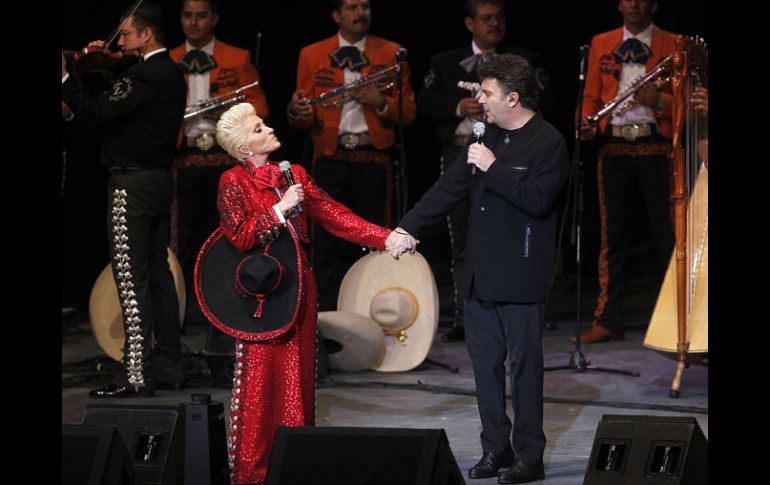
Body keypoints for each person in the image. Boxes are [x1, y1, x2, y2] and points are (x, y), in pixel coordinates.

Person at [204, 102, 407, 484]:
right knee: (261, 380)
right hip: (262, 296)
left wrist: (386, 237)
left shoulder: (292, 174)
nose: (269, 130)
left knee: (299, 375)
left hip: (299, 287)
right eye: (258, 129)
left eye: (264, 124)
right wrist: (280, 209)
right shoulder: (233, 181)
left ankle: (294, 464)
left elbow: (335, 214)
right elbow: (240, 235)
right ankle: (253, 472)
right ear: (244, 148)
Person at [390, 53, 568, 484]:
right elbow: (448, 188)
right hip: (480, 276)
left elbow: (538, 200)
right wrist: (405, 226)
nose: (480, 100)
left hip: (521, 274)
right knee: (485, 367)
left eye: (487, 93)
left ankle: (530, 456)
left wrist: (494, 167)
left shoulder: (548, 142)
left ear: (513, 97)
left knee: (523, 368)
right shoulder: (484, 138)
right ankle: (496, 449)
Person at [62, 3, 187, 397]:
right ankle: (169, 364)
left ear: (147, 34)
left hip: (131, 187)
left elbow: (94, 114)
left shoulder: (144, 75)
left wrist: (65, 76)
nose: (120, 44)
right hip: (159, 181)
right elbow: (122, 110)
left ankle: (135, 374)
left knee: (132, 278)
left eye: (127, 35)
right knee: (159, 276)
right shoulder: (170, 72)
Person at [417, 0, 555, 342]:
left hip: (507, 153)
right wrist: (458, 106)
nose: (494, 24)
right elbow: (423, 103)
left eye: (499, 17)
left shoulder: (524, 59)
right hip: (462, 151)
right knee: (463, 237)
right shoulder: (446, 61)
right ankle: (467, 315)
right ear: (469, 23)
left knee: (511, 231)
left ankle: (519, 308)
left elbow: (543, 101)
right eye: (486, 18)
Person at [286, 0, 417, 312]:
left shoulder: (391, 52)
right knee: (326, 242)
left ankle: (373, 306)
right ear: (336, 15)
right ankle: (325, 312)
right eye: (351, 7)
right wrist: (297, 111)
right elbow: (303, 117)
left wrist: (379, 101)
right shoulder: (312, 53)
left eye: (365, 7)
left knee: (373, 234)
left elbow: (409, 113)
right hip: (330, 157)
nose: (360, 13)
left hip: (372, 157)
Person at [578, 0, 677, 344]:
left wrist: (659, 102)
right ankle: (608, 318)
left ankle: (675, 319)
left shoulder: (672, 43)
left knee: (667, 235)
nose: (634, 4)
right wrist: (586, 122)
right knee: (612, 238)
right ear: (619, 4)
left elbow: (687, 101)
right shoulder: (602, 42)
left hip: (656, 147)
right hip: (614, 147)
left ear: (654, 4)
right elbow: (590, 97)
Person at [169, 0, 270, 320]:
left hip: (224, 159)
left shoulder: (237, 57)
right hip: (184, 158)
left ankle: (228, 306)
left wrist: (229, 113)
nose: (193, 22)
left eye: (201, 16)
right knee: (183, 237)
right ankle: (183, 309)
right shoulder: (170, 59)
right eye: (187, 16)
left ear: (213, 19)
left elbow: (260, 107)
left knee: (230, 234)